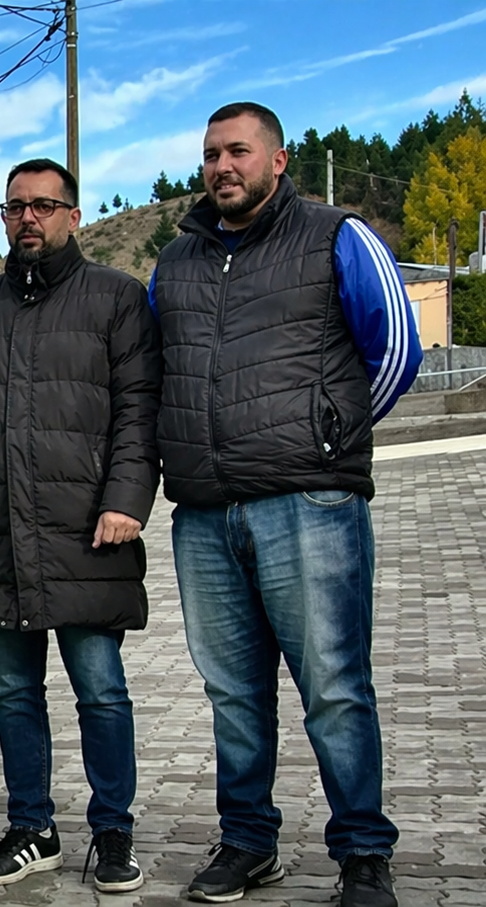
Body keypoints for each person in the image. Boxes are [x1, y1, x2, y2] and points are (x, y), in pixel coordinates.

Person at [150, 102, 420, 907]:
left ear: (277, 159)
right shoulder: (176, 262)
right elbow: (156, 371)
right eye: (211, 154)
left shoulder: (337, 236)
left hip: (310, 504)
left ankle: (363, 852)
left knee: (334, 686)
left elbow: (397, 349)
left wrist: (327, 440)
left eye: (238, 151)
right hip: (205, 515)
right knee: (232, 694)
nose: (221, 166)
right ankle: (247, 841)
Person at [0, 159, 161, 893]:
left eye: (44, 205)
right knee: (13, 694)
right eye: (16, 206)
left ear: (73, 216)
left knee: (102, 691)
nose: (28, 217)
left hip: (87, 533)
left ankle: (113, 831)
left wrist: (126, 499)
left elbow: (138, 410)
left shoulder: (116, 298)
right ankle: (32, 828)